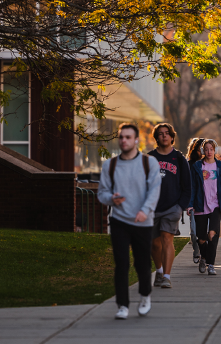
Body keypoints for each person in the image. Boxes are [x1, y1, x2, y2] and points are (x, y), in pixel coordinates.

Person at [97, 123, 162, 320]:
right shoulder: (111, 165)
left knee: (142, 263)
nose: (123, 140)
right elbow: (102, 193)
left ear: (136, 140)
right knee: (121, 263)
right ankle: (122, 305)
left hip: (142, 221)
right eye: (121, 137)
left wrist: (145, 211)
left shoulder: (148, 163)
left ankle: (145, 296)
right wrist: (111, 199)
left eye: (127, 137)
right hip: (119, 220)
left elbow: (154, 191)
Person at [148, 123, 191, 289]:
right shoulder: (150, 158)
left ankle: (166, 276)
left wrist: (181, 206)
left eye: (167, 133)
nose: (164, 136)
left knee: (167, 239)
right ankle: (159, 271)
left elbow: (187, 186)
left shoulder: (179, 159)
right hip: (152, 207)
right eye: (160, 134)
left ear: (172, 137)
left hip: (172, 207)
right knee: (154, 244)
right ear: (157, 137)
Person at [188, 139, 221, 275]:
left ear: (214, 150)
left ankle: (211, 265)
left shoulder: (220, 166)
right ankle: (203, 258)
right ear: (204, 151)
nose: (209, 152)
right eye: (207, 149)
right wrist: (190, 205)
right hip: (200, 205)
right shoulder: (197, 166)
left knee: (212, 234)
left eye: (211, 149)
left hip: (216, 205)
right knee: (201, 238)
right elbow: (192, 187)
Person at [186, 138, 206, 264]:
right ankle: (196, 250)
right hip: (193, 202)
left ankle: (204, 255)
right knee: (194, 232)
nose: (203, 152)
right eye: (200, 149)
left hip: (208, 203)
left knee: (206, 233)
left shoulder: (211, 164)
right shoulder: (190, 164)